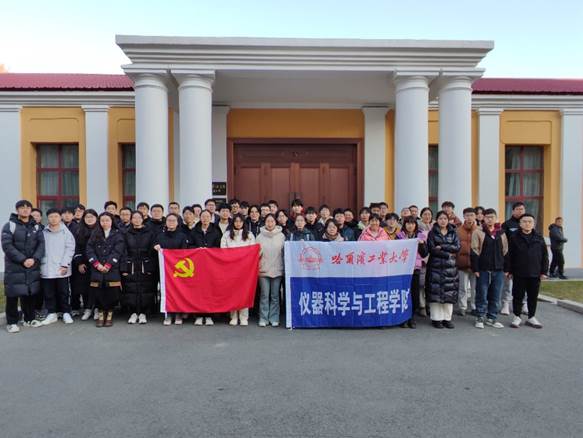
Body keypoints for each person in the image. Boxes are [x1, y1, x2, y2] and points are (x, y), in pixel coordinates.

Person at [2, 200, 45, 333]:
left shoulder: (36, 226)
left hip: (32, 265)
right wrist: (23, 259)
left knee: (29, 293)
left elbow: (41, 245)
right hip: (15, 267)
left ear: (31, 210)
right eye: (22, 208)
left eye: (28, 208)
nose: (25, 210)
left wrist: (34, 259)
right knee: (13, 294)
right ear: (17, 210)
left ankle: (29, 319)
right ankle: (12, 322)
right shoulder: (10, 225)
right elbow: (7, 246)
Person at [506, 214, 548, 329]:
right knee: (517, 295)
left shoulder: (539, 237)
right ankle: (517, 316)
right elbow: (509, 255)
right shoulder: (514, 237)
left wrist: (544, 271)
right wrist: (509, 270)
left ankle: (531, 317)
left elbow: (545, 255)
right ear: (520, 224)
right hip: (519, 272)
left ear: (533, 224)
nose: (527, 224)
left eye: (530, 221)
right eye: (524, 221)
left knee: (533, 296)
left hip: (535, 272)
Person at [471, 208, 508, 329]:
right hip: (483, 269)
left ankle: (492, 317)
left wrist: (505, 268)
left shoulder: (501, 233)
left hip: (498, 269)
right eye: (487, 217)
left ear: (496, 218)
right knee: (482, 294)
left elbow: (505, 251)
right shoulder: (478, 232)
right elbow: (474, 250)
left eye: (492, 217)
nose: (490, 219)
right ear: (483, 218)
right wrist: (476, 269)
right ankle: (480, 317)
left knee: (496, 295)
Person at [86, 212, 125, 328]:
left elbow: (118, 251)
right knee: (98, 292)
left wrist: (108, 264)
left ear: (112, 221)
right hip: (97, 268)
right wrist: (97, 264)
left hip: (112, 268)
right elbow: (89, 250)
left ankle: (110, 314)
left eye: (107, 220)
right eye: (102, 220)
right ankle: (101, 314)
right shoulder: (95, 234)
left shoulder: (118, 234)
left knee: (112, 292)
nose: (105, 223)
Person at [40, 208, 76, 326]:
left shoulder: (66, 232)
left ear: (60, 218)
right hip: (47, 266)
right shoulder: (43, 232)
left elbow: (70, 249)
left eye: (56, 216)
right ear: (47, 218)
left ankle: (66, 312)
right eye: (51, 217)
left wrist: (65, 264)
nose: (53, 219)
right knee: (48, 292)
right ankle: (52, 313)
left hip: (62, 267)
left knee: (63, 292)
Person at [121, 211, 157, 325]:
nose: (136, 220)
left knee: (146, 289)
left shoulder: (150, 233)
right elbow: (123, 251)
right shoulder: (126, 233)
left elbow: (152, 252)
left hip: (145, 265)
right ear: (131, 220)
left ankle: (143, 313)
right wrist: (124, 268)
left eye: (139, 218)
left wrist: (151, 267)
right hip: (130, 264)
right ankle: (133, 313)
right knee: (130, 289)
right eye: (134, 218)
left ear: (143, 219)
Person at [426, 210, 461, 329]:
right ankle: (436, 319)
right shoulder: (432, 233)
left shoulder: (453, 232)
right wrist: (446, 254)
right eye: (440, 218)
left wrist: (442, 246)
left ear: (448, 220)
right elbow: (432, 249)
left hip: (450, 267)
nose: (443, 221)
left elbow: (457, 247)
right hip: (435, 266)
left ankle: (447, 319)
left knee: (449, 292)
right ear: (436, 220)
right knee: (436, 293)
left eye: (445, 219)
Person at [220, 213, 256, 326]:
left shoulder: (249, 235)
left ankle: (244, 317)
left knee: (244, 292)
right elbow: (223, 250)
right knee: (232, 292)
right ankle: (234, 316)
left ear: (243, 223)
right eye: (236, 221)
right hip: (231, 268)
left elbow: (252, 251)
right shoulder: (226, 235)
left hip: (245, 268)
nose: (238, 223)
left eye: (240, 221)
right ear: (233, 222)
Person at [154, 214, 189, 326]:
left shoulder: (182, 236)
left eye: (173, 220)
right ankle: (168, 313)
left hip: (178, 269)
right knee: (166, 291)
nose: (171, 222)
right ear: (166, 222)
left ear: (178, 223)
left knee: (178, 291)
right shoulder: (160, 236)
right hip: (165, 269)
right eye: (169, 220)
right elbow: (154, 247)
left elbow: (184, 252)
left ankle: (178, 313)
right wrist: (156, 247)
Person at [191, 210, 222, 326]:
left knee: (210, 289)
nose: (205, 219)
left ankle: (209, 315)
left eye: (208, 216)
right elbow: (189, 245)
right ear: (199, 217)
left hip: (211, 265)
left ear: (211, 218)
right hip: (197, 265)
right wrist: (197, 249)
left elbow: (219, 246)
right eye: (203, 216)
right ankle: (198, 315)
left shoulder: (216, 231)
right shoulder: (194, 231)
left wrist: (210, 251)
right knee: (198, 290)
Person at [397, 217, 428, 328]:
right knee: (403, 293)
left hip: (415, 269)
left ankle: (411, 317)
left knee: (414, 294)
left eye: (412, 223)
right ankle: (403, 318)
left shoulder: (420, 236)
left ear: (415, 225)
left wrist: (421, 244)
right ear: (404, 225)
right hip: (402, 270)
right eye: (408, 223)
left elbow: (424, 253)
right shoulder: (399, 236)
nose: (410, 226)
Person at [256, 214, 285, 327]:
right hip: (263, 269)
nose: (270, 223)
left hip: (277, 269)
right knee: (264, 295)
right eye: (268, 221)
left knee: (275, 296)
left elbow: (284, 253)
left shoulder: (281, 236)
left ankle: (274, 318)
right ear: (265, 223)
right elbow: (256, 254)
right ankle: (263, 318)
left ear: (275, 222)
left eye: (272, 221)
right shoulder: (259, 236)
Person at [72, 209, 99, 321]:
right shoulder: (78, 230)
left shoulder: (100, 230)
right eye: (87, 217)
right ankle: (88, 308)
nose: (89, 219)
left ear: (96, 218)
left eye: (92, 217)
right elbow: (76, 248)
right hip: (84, 263)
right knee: (85, 287)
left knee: (97, 287)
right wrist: (79, 263)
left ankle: (97, 308)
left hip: (98, 263)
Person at [500, 201, 526, 315]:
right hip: (509, 258)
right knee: (507, 284)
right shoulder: (507, 225)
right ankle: (505, 304)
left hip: (523, 259)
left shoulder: (527, 223)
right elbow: (503, 243)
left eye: (522, 209)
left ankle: (524, 304)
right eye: (518, 209)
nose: (520, 211)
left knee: (523, 284)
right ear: (513, 211)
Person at [455, 208, 478, 317]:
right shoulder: (458, 230)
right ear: (464, 216)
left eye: (472, 215)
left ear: (475, 216)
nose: (469, 218)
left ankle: (474, 306)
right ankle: (462, 307)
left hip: (476, 264)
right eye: (467, 215)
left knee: (475, 288)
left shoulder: (479, 230)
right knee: (462, 288)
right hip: (462, 263)